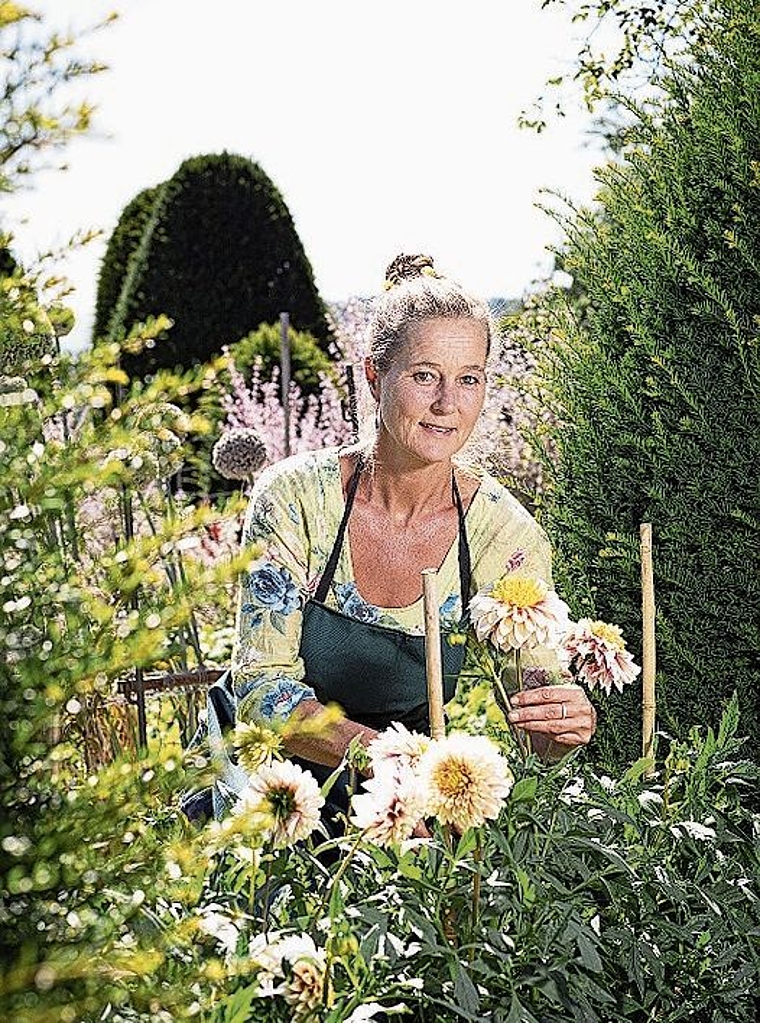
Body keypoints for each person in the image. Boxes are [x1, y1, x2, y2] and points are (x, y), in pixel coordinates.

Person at [228, 253, 596, 823]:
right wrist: (388, 758)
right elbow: (260, 693)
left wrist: (559, 724)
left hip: (409, 812)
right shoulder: (297, 500)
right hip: (271, 800)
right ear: (375, 377)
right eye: (425, 375)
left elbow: (533, 708)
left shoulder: (503, 533)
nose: (447, 403)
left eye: (468, 379)